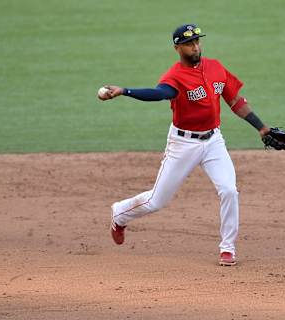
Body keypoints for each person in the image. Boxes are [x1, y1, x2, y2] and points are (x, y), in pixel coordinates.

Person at [98, 24, 271, 266]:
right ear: (177, 48)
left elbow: (235, 100)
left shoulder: (216, 67)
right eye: (189, 43)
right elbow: (159, 93)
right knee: (156, 201)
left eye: (197, 41)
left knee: (229, 190)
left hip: (213, 141)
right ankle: (120, 214)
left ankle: (227, 249)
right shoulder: (174, 77)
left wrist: (261, 128)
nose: (195, 46)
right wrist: (124, 91)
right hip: (182, 143)